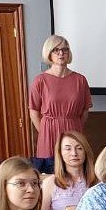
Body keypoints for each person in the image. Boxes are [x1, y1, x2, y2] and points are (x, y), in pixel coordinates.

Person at [28, 35, 92, 174]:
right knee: (50, 174)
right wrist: (45, 131)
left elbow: (85, 111)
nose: (61, 53)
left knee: (74, 173)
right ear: (49, 53)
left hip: (73, 130)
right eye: (56, 50)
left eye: (65, 49)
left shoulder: (80, 80)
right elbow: (34, 112)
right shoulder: (40, 80)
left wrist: (75, 126)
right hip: (48, 132)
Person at [41, 130, 96, 210]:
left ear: (86, 152)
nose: (74, 153)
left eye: (79, 148)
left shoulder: (99, 181)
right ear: (60, 153)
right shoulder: (49, 183)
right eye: (68, 149)